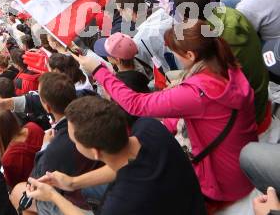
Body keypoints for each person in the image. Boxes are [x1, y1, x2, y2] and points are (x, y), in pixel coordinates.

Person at [76, 21, 258, 210]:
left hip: (226, 181)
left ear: (190, 55)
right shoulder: (225, 64)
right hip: (240, 163)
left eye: (175, 53)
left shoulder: (198, 93)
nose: (175, 57)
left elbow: (135, 104)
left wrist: (99, 71)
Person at [25, 96, 207, 215]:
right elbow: (126, 162)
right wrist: (72, 182)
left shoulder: (120, 203)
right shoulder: (150, 128)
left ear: (94, 152)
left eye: (75, 141)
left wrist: (53, 196)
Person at [170, 0, 270, 127]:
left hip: (250, 116)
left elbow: (211, 88)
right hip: (260, 96)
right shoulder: (231, 12)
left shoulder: (207, 42)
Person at [10, 72, 100, 215]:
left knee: (18, 193)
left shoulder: (58, 147)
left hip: (86, 201)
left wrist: (45, 147)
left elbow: (35, 182)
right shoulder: (93, 100)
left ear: (47, 107)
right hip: (88, 184)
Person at [0, 110, 44, 188]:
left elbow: (14, 185)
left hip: (34, 187)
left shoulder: (8, 158)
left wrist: (0, 149)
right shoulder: (33, 126)